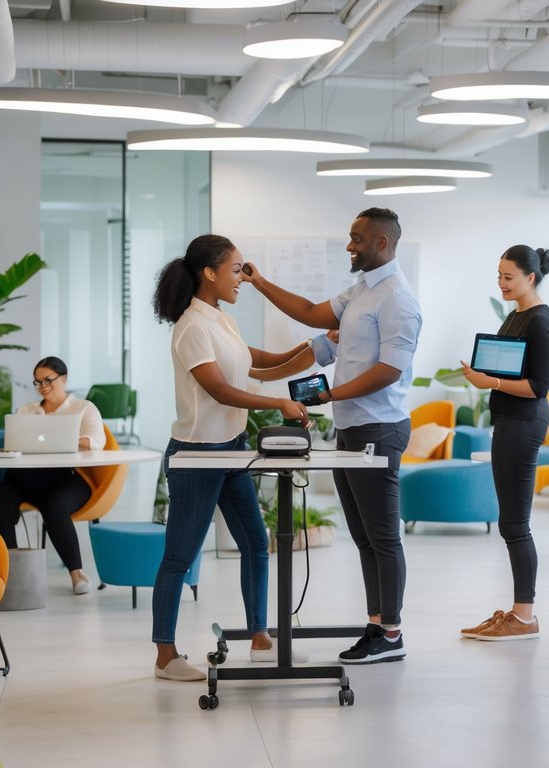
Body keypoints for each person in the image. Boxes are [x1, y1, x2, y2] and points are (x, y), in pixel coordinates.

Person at [243, 207, 422, 665]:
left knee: (383, 538)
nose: (349, 245)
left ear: (381, 242)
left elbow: (389, 370)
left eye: (357, 238)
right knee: (363, 538)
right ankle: (377, 624)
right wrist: (260, 282)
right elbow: (308, 312)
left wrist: (330, 395)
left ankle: (393, 634)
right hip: (350, 425)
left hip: (378, 428)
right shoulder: (362, 290)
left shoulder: (398, 298)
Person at [150, 234, 312, 682]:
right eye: (237, 269)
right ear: (210, 272)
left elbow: (253, 362)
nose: (243, 277)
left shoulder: (222, 320)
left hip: (233, 448)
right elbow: (218, 388)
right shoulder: (191, 327)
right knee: (179, 558)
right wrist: (279, 403)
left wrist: (309, 350)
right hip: (198, 454)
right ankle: (165, 655)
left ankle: (260, 637)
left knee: (256, 544)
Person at [458, 245, 549, 641]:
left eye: (508, 277)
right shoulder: (516, 316)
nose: (501, 284)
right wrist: (486, 374)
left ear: (530, 278)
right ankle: (519, 613)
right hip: (510, 420)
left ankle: (524, 617)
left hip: (524, 422)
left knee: (515, 523)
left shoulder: (540, 321)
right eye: (498, 276)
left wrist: (492, 382)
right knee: (511, 522)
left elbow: (538, 386)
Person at [0, 356, 105, 595]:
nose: (43, 387)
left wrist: (63, 438)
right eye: (38, 382)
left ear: (64, 378)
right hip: (24, 478)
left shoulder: (83, 408)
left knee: (55, 507)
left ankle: (76, 574)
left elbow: (96, 442)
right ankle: (12, 573)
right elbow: (16, 443)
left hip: (66, 478)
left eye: (48, 380)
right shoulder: (26, 411)